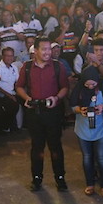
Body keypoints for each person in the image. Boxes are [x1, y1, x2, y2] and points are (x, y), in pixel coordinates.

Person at [15, 37, 70, 191]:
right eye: (44, 49)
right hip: (35, 113)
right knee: (37, 147)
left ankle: (60, 178)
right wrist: (26, 98)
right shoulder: (26, 67)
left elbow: (65, 87)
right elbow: (19, 87)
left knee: (55, 147)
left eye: (49, 49)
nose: (48, 52)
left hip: (53, 112)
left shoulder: (58, 66)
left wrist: (56, 98)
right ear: (36, 50)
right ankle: (37, 179)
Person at [71, 66, 103, 197]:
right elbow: (73, 106)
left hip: (101, 128)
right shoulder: (78, 88)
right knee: (87, 157)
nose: (90, 87)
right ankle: (89, 183)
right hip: (83, 129)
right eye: (87, 84)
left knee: (102, 158)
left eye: (93, 84)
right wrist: (80, 110)